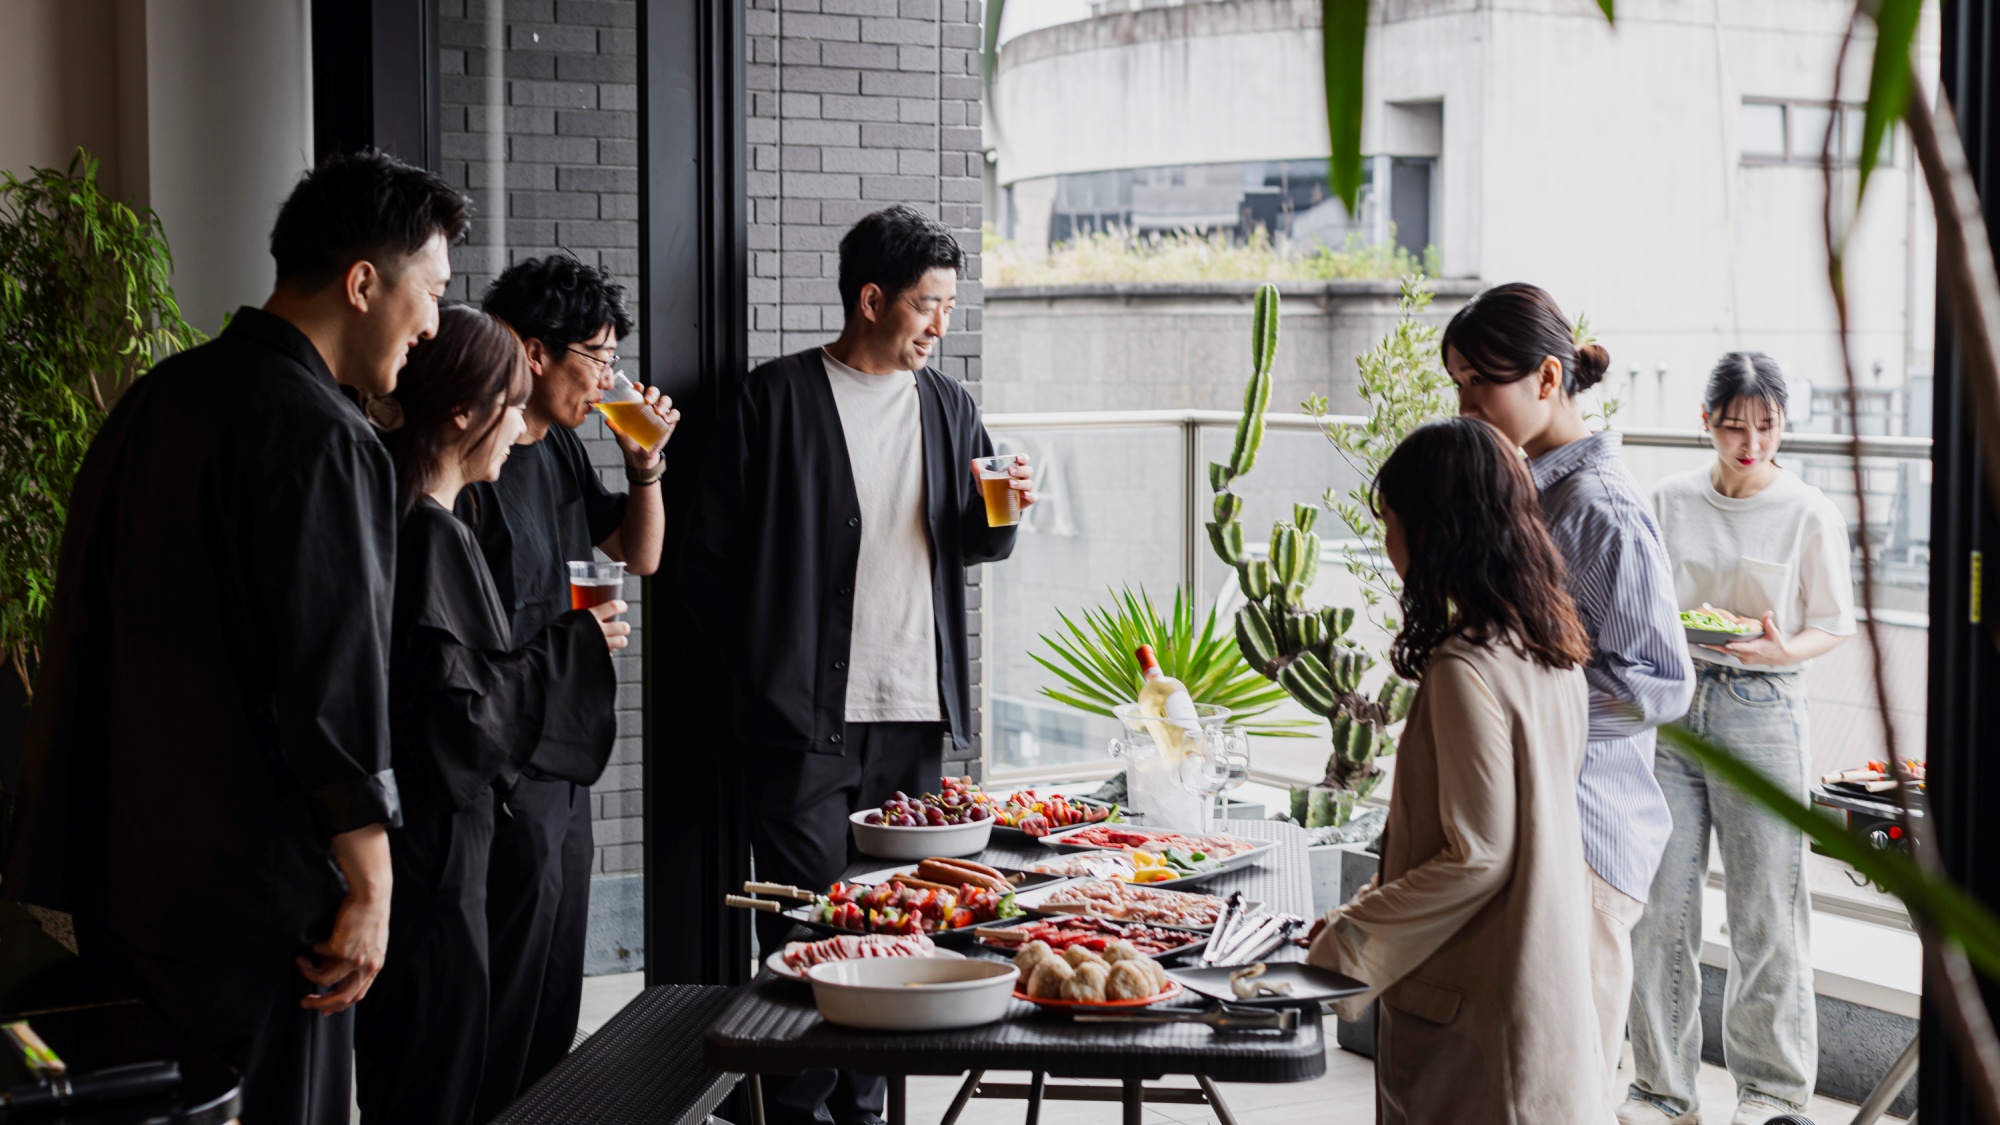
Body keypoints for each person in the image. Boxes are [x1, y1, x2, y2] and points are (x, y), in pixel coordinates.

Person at [3, 150, 466, 1124]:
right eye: (430, 294)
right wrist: (372, 884)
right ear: (363, 282)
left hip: (128, 885)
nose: (431, 325)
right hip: (263, 909)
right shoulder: (320, 434)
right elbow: (330, 679)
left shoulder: (155, 401)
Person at [682, 204, 1033, 1125]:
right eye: (927, 304)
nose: (940, 325)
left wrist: (1007, 511)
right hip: (799, 716)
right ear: (871, 299)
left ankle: (867, 1107)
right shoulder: (773, 400)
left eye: (950, 307)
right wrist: (764, 664)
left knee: (892, 922)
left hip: (912, 710)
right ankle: (791, 1107)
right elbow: (704, 560)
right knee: (809, 916)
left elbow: (974, 544)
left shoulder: (951, 407)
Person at [354, 306, 623, 1125]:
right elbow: (460, 716)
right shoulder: (429, 534)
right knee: (439, 1070)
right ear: (466, 415)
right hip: (435, 859)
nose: (521, 428)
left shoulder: (423, 521)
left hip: (443, 850)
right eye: (511, 407)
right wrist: (575, 643)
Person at [1306, 416, 1601, 1123]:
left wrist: (1346, 938)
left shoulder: (1465, 667)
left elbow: (1478, 854)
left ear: (1433, 528)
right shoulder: (1550, 648)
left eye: (1391, 521)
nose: (1387, 542)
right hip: (1544, 987)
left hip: (1479, 1015)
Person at [1445, 282, 1695, 1094]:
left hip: (1587, 833)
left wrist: (1529, 713)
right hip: (1540, 819)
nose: (1464, 403)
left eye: (1479, 382)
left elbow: (1661, 683)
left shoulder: (1601, 508)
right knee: (1525, 1077)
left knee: (1570, 1083)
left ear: (1546, 380)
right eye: (1458, 384)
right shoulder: (1532, 491)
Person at [460, 253, 678, 1115]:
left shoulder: (556, 450)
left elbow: (641, 553)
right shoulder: (472, 462)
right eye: (596, 354)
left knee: (555, 988)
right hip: (504, 758)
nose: (608, 377)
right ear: (535, 353)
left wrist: (646, 464)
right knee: (506, 991)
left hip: (568, 754)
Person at [1622, 353, 1855, 1125]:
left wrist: (1779, 648)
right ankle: (1661, 1088)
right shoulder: (1669, 498)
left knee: (1767, 911)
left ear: (1783, 423)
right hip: (1674, 705)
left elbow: (1831, 624)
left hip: (1764, 707)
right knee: (1662, 909)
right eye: (1734, 424)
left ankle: (1772, 1092)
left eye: (1767, 425)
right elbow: (1645, 598)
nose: (1750, 440)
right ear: (1706, 419)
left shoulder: (1807, 509)